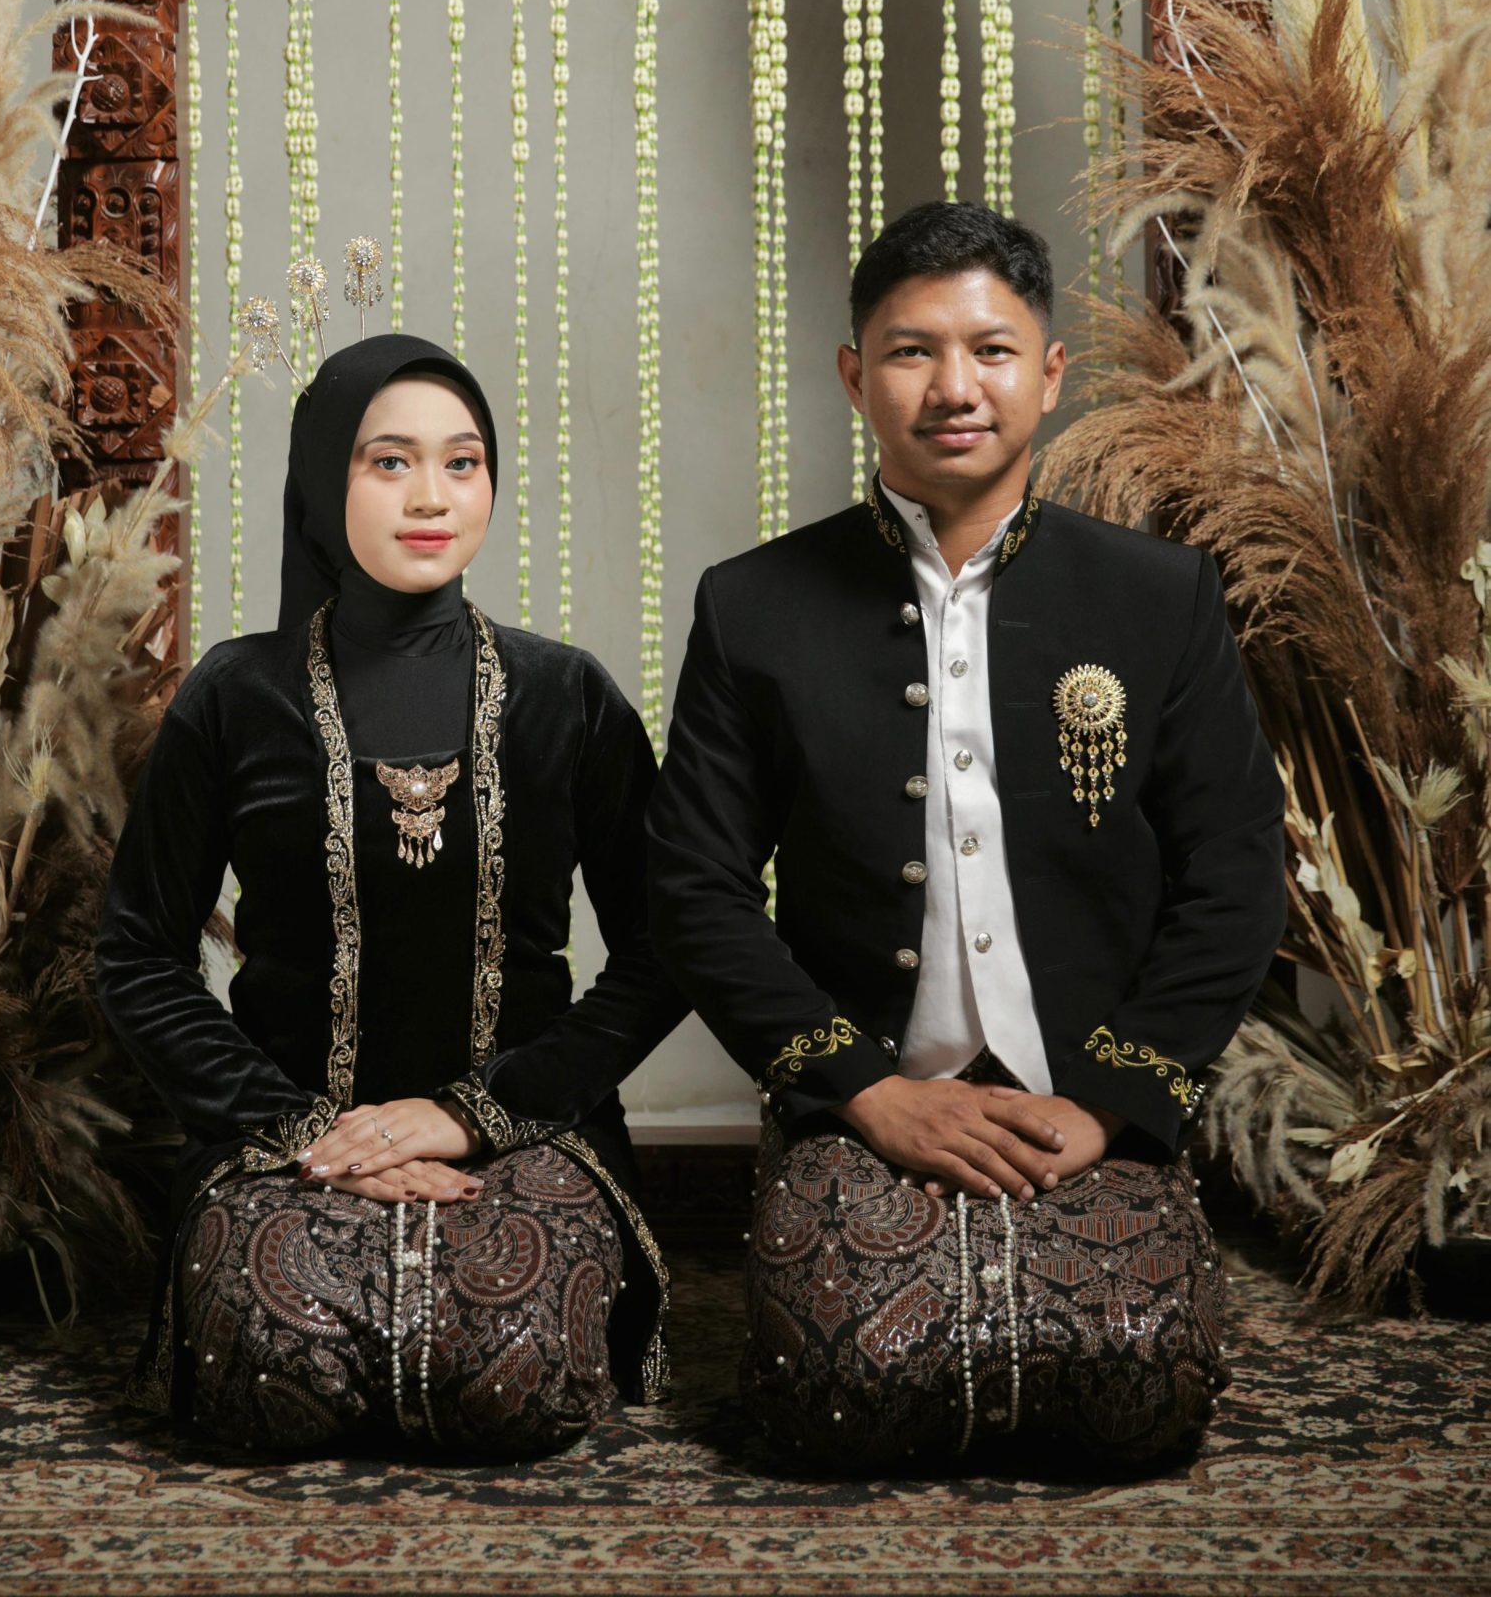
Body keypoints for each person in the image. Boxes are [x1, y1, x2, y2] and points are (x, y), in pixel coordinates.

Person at [646, 202, 1286, 1471]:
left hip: (1086, 1092)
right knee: (841, 1388)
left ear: (1048, 374)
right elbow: (695, 889)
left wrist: (1109, 1101)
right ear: (854, 377)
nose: (953, 386)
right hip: (863, 1095)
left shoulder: (1158, 597)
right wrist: (865, 1091)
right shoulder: (753, 606)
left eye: (991, 350)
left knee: (1137, 1386)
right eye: (911, 351)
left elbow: (1234, 874)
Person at [99, 333, 684, 1457]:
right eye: (390, 462)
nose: (431, 497)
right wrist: (313, 1133)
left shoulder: (567, 696)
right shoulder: (236, 695)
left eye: (462, 462)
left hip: (528, 1133)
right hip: (283, 1137)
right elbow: (137, 957)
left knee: (515, 1369)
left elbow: (666, 951)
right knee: (272, 1361)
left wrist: (473, 1113)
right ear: (327, 477)